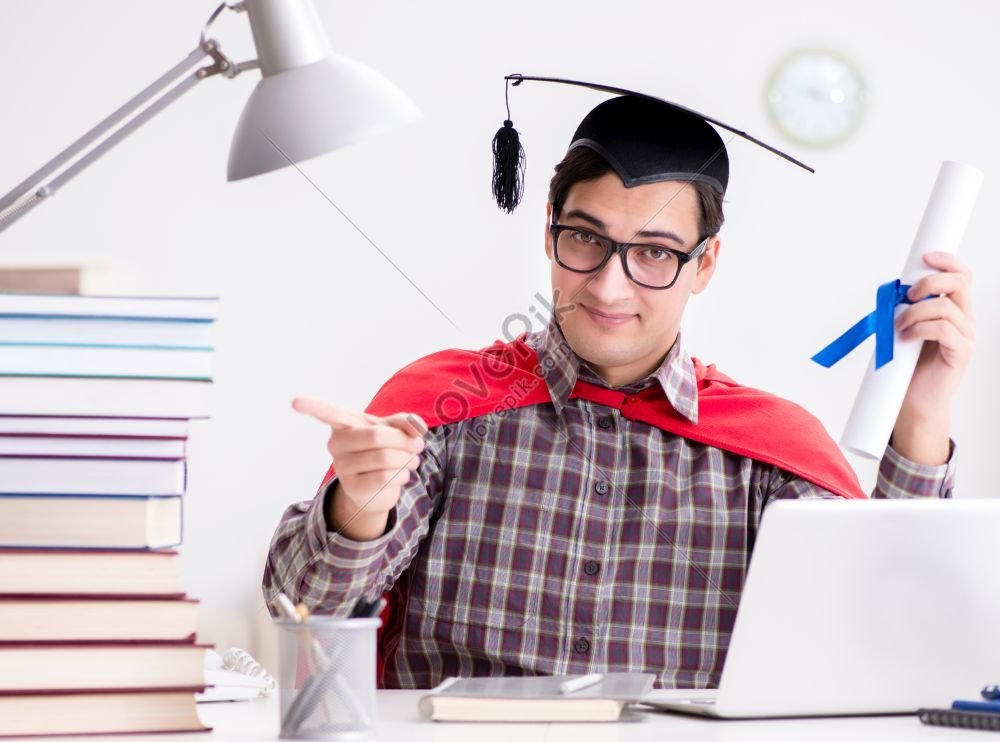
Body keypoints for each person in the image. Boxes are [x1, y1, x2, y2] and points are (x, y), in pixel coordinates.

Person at [263, 86, 973, 690]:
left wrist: (923, 408)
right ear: (549, 232)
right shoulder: (446, 412)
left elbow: (884, 633)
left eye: (656, 253)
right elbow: (299, 610)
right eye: (585, 239)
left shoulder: (766, 459)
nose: (610, 284)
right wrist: (359, 510)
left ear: (706, 264)